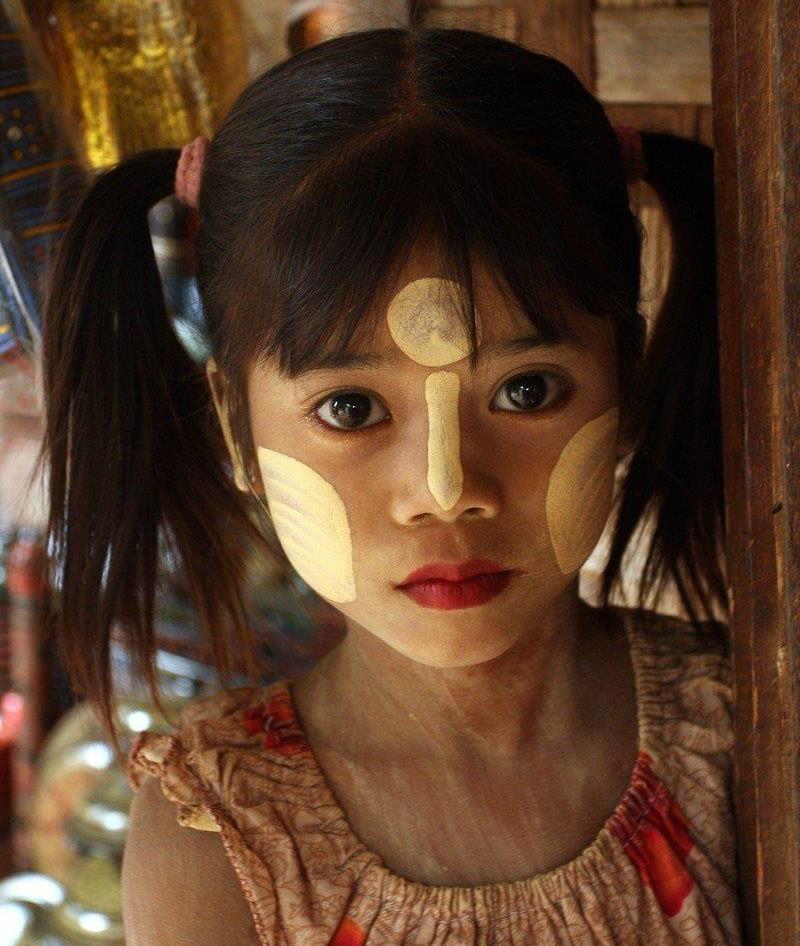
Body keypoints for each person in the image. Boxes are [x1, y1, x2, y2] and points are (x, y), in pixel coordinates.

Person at [40, 26, 742, 946]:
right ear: (235, 425)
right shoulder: (223, 843)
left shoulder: (746, 728)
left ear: (627, 376)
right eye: (350, 409)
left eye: (525, 391)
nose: (446, 490)